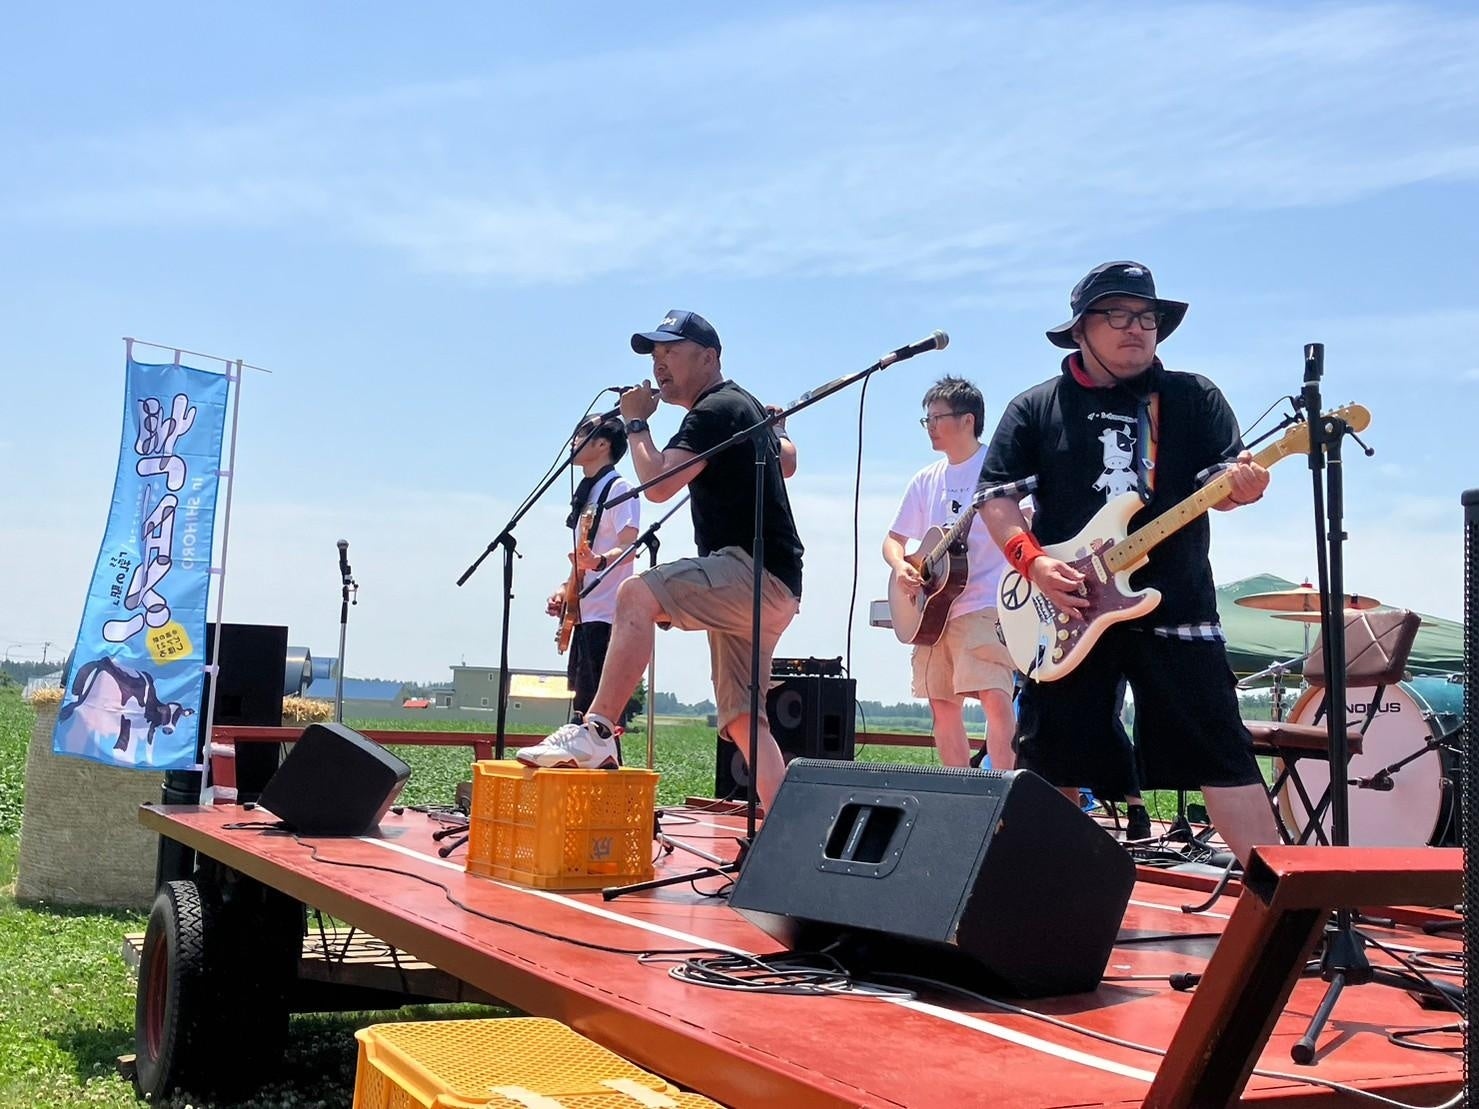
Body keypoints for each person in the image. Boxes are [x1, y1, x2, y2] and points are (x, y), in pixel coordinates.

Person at [977, 260, 1278, 865]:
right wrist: (1032, 562)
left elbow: (1228, 478)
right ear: (1080, 328)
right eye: (1117, 314)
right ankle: (1027, 913)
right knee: (1049, 762)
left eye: (1147, 317)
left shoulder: (1193, 398)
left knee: (1226, 757)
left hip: (1177, 603)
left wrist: (1243, 486)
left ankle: (1290, 913)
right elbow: (997, 499)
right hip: (1071, 608)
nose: (1136, 328)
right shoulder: (1037, 407)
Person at [520, 310, 804, 816]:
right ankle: (787, 826)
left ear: (709, 357)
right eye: (655, 356)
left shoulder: (715, 408)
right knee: (742, 719)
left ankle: (598, 730)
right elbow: (787, 461)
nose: (659, 365)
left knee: (637, 593)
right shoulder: (740, 406)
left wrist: (635, 421)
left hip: (750, 570)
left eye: (670, 353)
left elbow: (656, 483)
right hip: (774, 582)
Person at [882, 377, 1016, 771]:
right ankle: (960, 787)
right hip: (932, 610)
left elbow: (1026, 523)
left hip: (985, 601)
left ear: (968, 419)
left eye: (937, 417)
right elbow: (893, 540)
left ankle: (1003, 789)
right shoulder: (926, 479)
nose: (930, 426)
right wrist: (902, 565)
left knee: (994, 695)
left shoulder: (997, 470)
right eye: (926, 418)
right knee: (941, 704)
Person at [545, 414, 640, 726]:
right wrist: (565, 589)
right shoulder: (589, 490)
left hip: (607, 616)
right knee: (581, 713)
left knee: (601, 719)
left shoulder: (618, 488)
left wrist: (597, 562)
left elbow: (630, 546)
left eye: (580, 434)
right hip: (585, 615)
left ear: (602, 444)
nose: (572, 442)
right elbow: (583, 555)